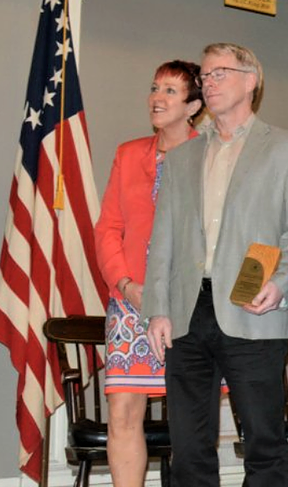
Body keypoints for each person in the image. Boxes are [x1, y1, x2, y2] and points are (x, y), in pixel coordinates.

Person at [142, 43, 288, 487]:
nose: (208, 83)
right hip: (186, 313)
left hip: (253, 308)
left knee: (263, 443)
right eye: (206, 75)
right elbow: (163, 240)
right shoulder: (181, 158)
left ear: (251, 80)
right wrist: (157, 308)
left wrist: (281, 283)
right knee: (189, 447)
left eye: (219, 73)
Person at [95, 60, 203, 487]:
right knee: (123, 412)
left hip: (191, 305)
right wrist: (125, 284)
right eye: (155, 87)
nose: (158, 97)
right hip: (131, 301)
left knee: (190, 418)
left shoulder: (212, 152)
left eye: (171, 91)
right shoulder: (128, 154)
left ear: (194, 105)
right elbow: (109, 228)